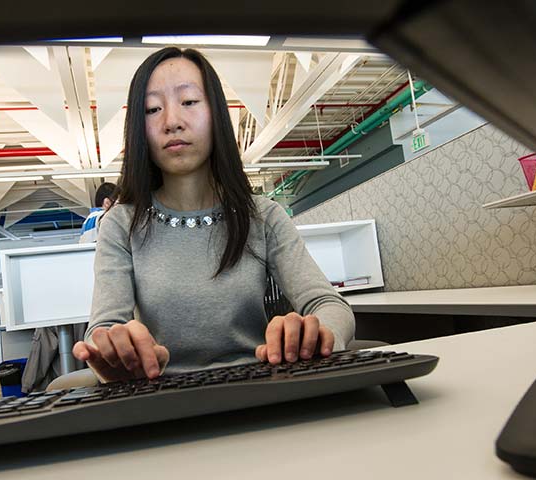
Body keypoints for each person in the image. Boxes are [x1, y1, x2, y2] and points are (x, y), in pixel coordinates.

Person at [72, 47, 355, 383]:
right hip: (161, 394)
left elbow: (330, 305)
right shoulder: (120, 224)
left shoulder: (264, 216)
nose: (172, 122)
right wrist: (115, 353)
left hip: (261, 387)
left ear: (216, 114)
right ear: (138, 127)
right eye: (152, 109)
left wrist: (318, 335)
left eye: (189, 101)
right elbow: (103, 328)